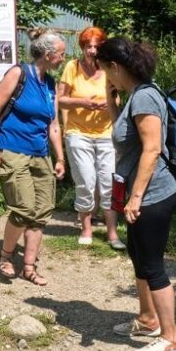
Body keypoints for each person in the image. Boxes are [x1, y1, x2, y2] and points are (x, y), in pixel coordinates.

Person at [97, 37, 176, 351]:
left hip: (152, 195)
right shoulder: (136, 96)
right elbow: (126, 135)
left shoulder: (145, 98)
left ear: (116, 67)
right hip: (142, 193)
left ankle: (172, 338)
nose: (105, 76)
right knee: (138, 255)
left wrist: (135, 198)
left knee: (152, 264)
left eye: (105, 70)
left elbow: (151, 149)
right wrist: (111, 102)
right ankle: (148, 320)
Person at [0, 29, 67, 286]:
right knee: (23, 209)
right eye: (62, 54)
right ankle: (6, 256)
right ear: (48, 54)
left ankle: (29, 267)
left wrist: (60, 158)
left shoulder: (51, 84)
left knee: (41, 212)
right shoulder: (18, 74)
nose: (64, 58)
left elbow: (53, 124)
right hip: (13, 150)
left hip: (40, 154)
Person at [57, 26, 125, 249]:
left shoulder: (109, 69)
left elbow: (119, 101)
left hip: (106, 133)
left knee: (108, 182)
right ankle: (85, 228)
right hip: (78, 132)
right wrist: (84, 103)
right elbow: (60, 100)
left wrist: (109, 103)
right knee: (86, 181)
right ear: (82, 48)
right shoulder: (71, 67)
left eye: (97, 47)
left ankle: (112, 233)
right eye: (88, 46)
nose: (92, 51)